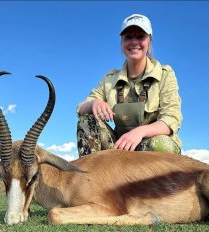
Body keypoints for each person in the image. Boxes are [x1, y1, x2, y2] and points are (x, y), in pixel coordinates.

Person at [76, 13, 182, 157]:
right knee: (86, 121)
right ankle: (91, 177)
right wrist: (94, 103)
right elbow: (81, 108)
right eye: (128, 37)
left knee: (162, 145)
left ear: (149, 42)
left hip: (150, 146)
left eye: (140, 37)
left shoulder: (165, 74)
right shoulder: (109, 79)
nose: (134, 42)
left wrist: (140, 132)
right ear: (121, 43)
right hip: (120, 146)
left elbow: (171, 119)